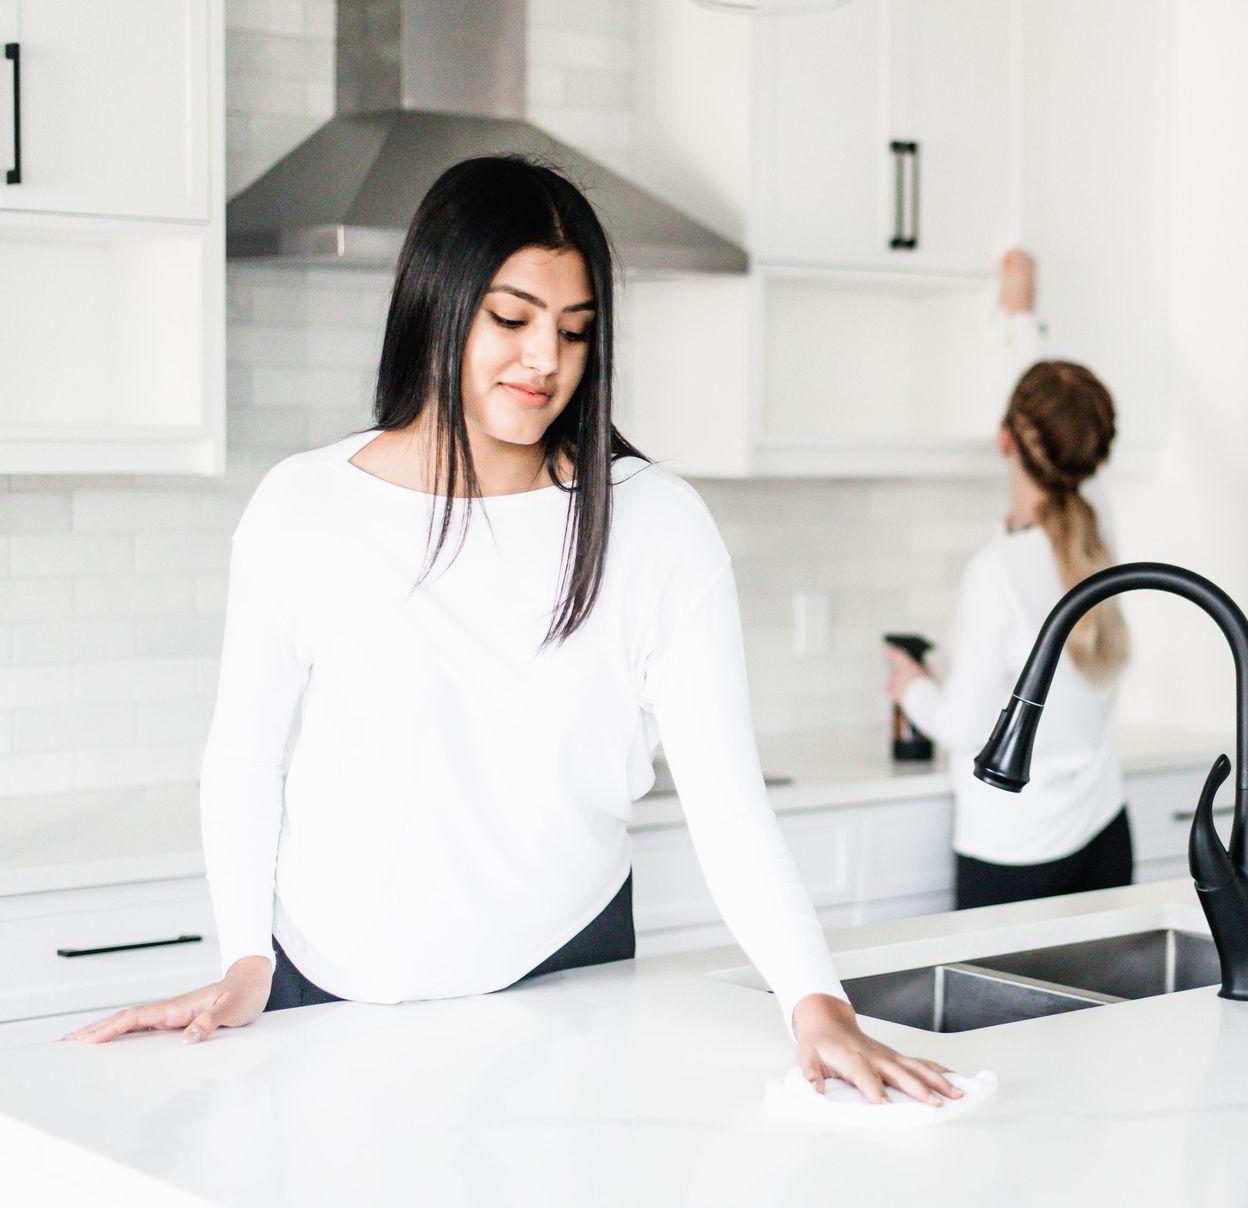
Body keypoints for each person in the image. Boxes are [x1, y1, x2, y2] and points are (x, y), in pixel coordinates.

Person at [63, 156, 960, 1108]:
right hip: (321, 979)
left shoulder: (654, 525)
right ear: (439, 301)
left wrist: (814, 1002)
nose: (546, 360)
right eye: (512, 319)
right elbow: (245, 757)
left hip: (564, 968)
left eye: (576, 332)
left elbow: (729, 806)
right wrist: (247, 954)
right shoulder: (304, 508)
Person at [884, 249, 1132, 910]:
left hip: (1015, 853)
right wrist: (1022, 317)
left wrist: (912, 689)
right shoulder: (1098, 522)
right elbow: (1057, 422)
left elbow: (967, 726)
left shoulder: (997, 570)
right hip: (1104, 838)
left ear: (1004, 441)